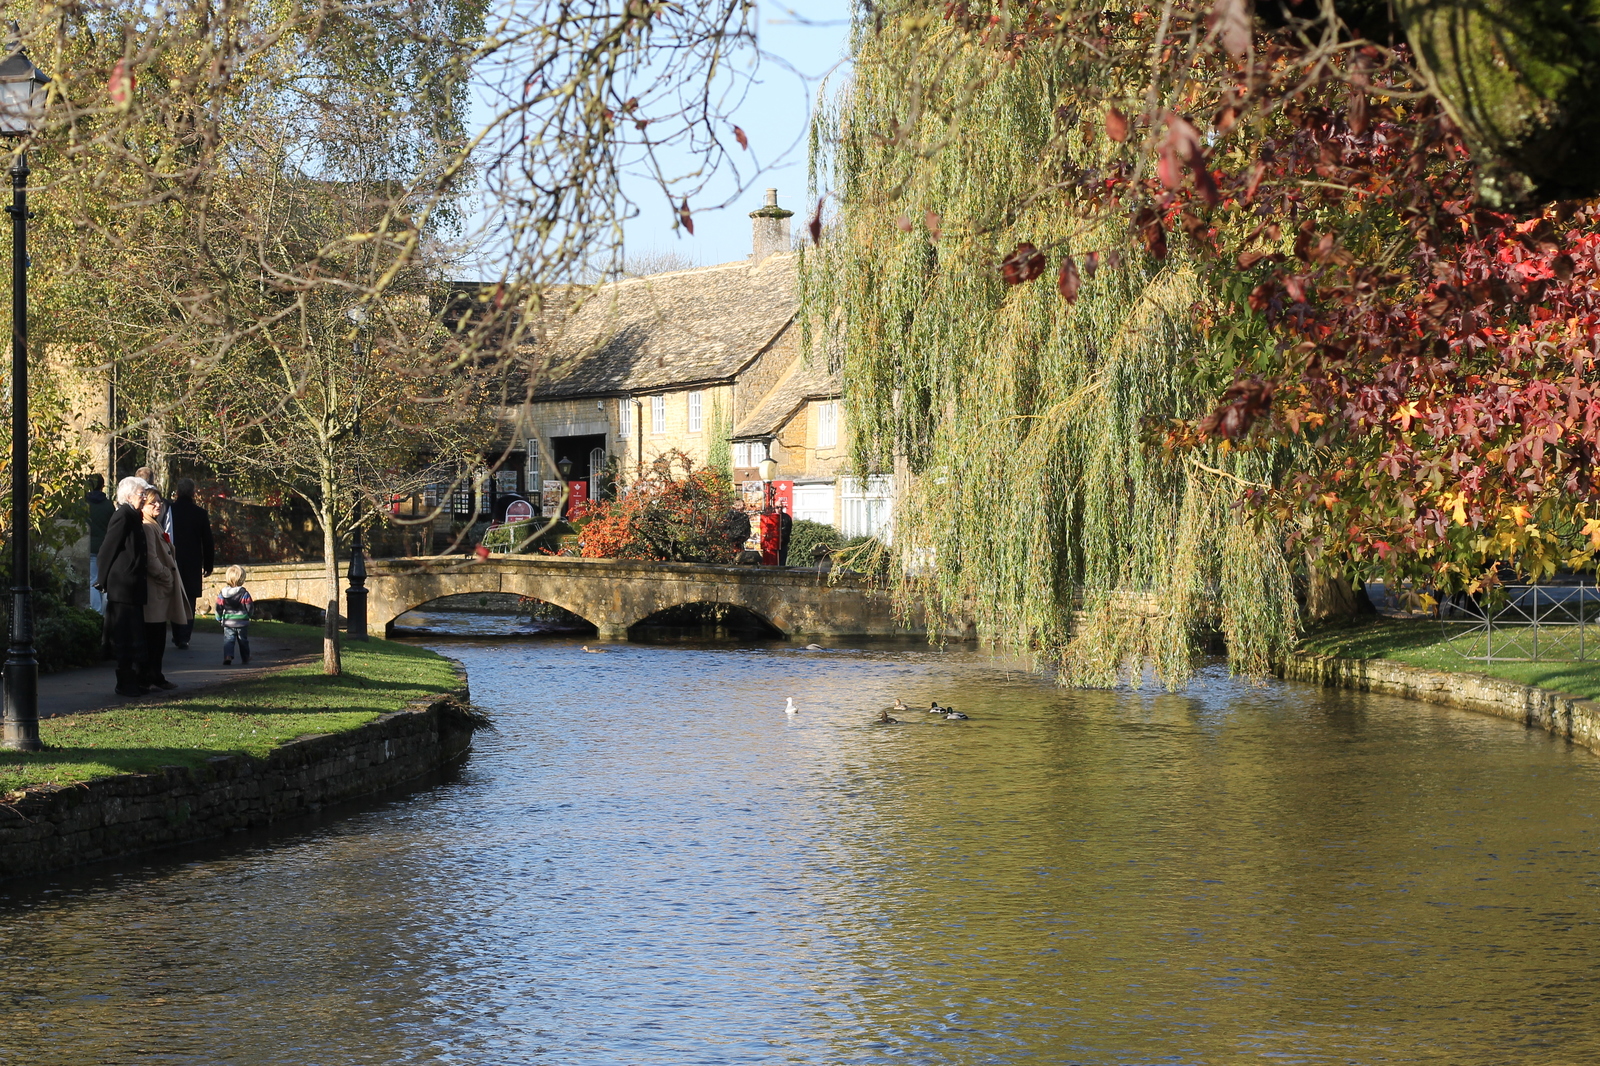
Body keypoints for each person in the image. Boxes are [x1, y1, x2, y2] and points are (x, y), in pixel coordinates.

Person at [95, 476, 151, 697]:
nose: (144, 497)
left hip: (131, 586)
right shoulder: (123, 515)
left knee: (133, 635)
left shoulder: (133, 516)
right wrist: (102, 578)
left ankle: (134, 681)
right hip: (123, 586)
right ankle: (125, 682)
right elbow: (108, 547)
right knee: (125, 636)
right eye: (141, 494)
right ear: (129, 496)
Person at [138, 489, 188, 691]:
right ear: (143, 506)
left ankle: (155, 675)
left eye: (159, 502)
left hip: (161, 589)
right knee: (154, 637)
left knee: (158, 637)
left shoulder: (154, 524)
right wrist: (165, 576)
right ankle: (152, 676)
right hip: (156, 590)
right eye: (152, 503)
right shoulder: (147, 527)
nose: (158, 505)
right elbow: (151, 559)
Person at [167, 478, 215, 649]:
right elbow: (207, 542)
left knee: (175, 598)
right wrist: (208, 564)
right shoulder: (200, 513)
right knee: (190, 600)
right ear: (193, 493)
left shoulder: (169, 511)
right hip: (193, 561)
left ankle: (177, 633)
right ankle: (185, 635)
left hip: (172, 559)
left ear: (177, 492)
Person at [84, 474, 114, 613]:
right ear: (102, 486)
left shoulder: (81, 504)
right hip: (104, 548)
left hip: (86, 546)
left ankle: (96, 612)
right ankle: (103, 612)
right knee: (104, 582)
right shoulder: (108, 506)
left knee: (92, 581)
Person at [216, 566, 254, 665]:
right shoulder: (244, 593)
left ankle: (228, 656)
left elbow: (219, 606)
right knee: (243, 640)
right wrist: (249, 615)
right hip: (242, 621)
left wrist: (219, 617)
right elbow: (249, 606)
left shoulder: (223, 593)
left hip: (228, 622)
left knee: (228, 639)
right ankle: (245, 657)